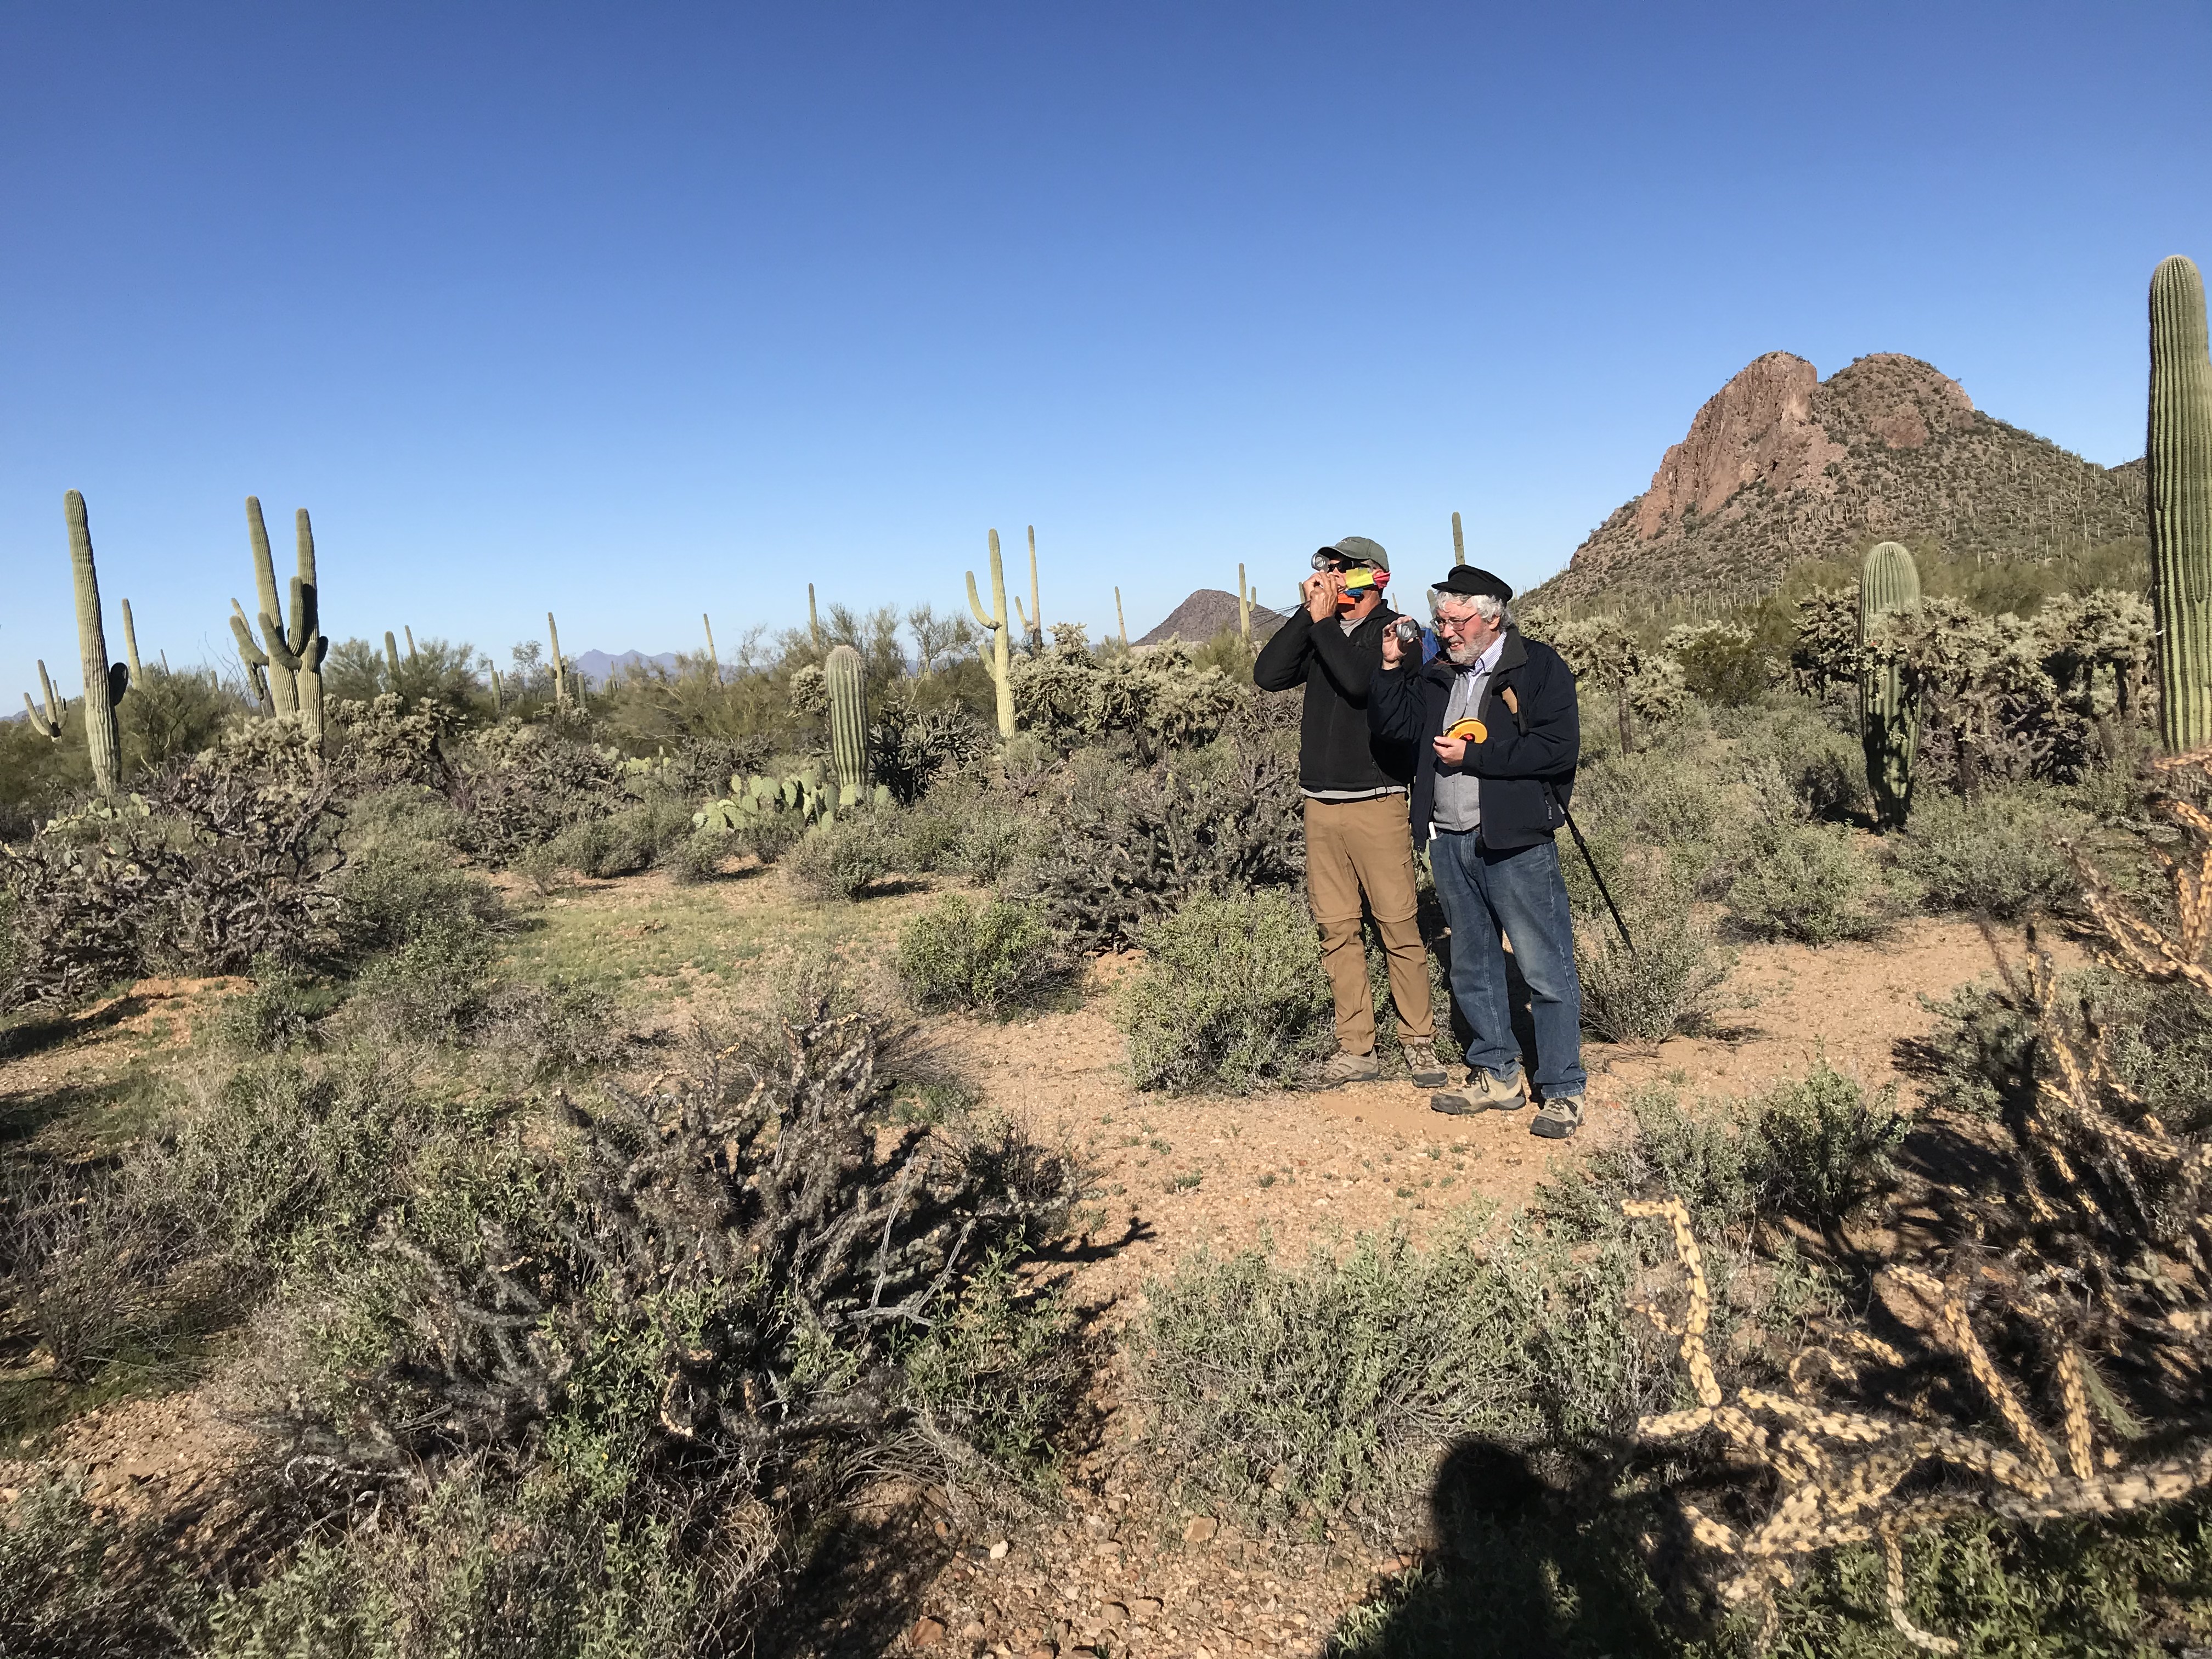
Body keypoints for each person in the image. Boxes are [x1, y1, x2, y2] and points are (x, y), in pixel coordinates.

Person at [1368, 564, 1588, 1137]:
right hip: (1450, 840)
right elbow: (1394, 731)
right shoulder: (1437, 672)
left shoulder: (1536, 668)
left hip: (1515, 843)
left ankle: (1563, 1088)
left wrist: (1478, 761)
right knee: (1474, 964)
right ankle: (1497, 1075)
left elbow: (1558, 750)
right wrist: (1394, 668)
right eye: (1440, 620)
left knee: (1544, 966)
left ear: (1491, 619)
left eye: (1456, 620)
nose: (1445, 631)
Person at [1252, 535, 1444, 1088]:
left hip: (1377, 801)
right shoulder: (1322, 632)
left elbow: (1362, 683)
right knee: (1337, 931)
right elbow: (1268, 675)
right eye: (1324, 568)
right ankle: (1357, 1048)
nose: (1329, 576)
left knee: (1398, 927)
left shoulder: (1398, 632)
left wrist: (1320, 627)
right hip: (1321, 803)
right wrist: (1306, 619)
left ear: (1371, 575)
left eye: (1339, 568)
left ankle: (1420, 1042)